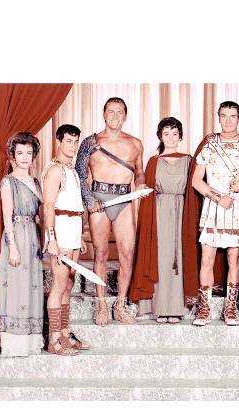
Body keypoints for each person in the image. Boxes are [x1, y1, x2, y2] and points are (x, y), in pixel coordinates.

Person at [183, 101, 239, 326]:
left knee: (233, 258)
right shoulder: (209, 143)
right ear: (218, 117)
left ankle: (230, 309)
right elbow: (196, 181)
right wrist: (219, 198)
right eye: (224, 116)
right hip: (214, 206)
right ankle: (204, 309)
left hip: (238, 207)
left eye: (232, 116)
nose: (228, 120)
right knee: (207, 258)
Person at [76, 97, 146, 325]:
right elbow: (79, 172)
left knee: (127, 254)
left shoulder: (135, 143)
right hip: (99, 199)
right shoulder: (90, 142)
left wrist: (142, 183)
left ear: (125, 116)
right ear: (103, 114)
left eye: (119, 112)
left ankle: (120, 304)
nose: (115, 116)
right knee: (101, 253)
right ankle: (102, 306)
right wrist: (88, 199)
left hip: (125, 199)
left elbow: (139, 172)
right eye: (110, 111)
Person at [130, 117, 191, 323]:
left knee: (179, 258)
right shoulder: (153, 161)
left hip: (182, 212)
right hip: (158, 213)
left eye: (175, 134)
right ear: (160, 136)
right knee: (160, 257)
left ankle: (176, 308)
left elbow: (193, 192)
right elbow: (147, 190)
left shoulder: (189, 160)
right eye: (166, 134)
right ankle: (159, 307)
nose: (171, 138)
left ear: (180, 136)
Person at [0, 131, 44, 357]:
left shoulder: (35, 181)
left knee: (32, 287)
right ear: (12, 155)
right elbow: (6, 217)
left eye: (29, 153)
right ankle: (14, 344)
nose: (24, 157)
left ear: (34, 156)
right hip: (16, 238)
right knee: (16, 288)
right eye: (20, 152)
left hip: (33, 237)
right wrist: (12, 246)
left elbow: (40, 214)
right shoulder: (8, 181)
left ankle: (32, 342)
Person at [41, 124, 88, 355]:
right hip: (59, 231)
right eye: (69, 141)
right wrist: (51, 239)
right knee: (59, 286)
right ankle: (54, 340)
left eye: (76, 141)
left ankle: (65, 334)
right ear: (59, 142)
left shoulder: (72, 170)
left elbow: (74, 205)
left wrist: (80, 234)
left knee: (69, 284)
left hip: (73, 230)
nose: (73, 146)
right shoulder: (54, 170)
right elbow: (48, 206)